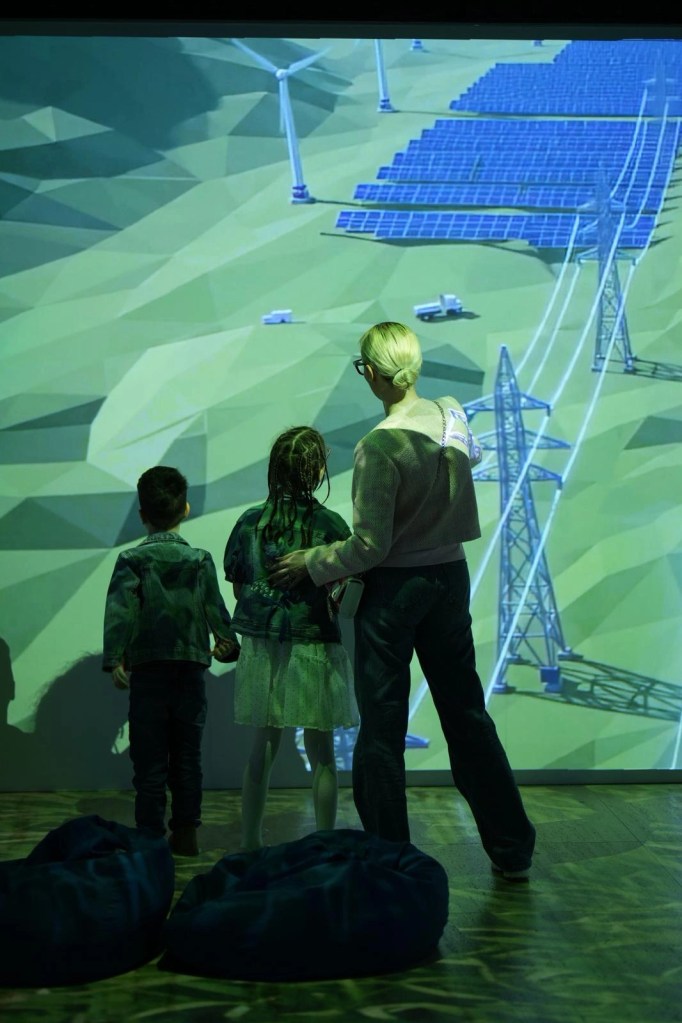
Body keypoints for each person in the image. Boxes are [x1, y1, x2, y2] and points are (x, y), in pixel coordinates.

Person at [269, 323, 536, 879]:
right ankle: (512, 848)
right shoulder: (451, 412)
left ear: (370, 372)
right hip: (450, 581)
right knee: (467, 714)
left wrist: (312, 563)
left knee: (383, 728)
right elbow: (472, 458)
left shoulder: (377, 447)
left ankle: (390, 861)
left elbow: (369, 546)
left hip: (393, 594)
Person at [223, 426, 358, 850]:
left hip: (264, 644)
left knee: (262, 745)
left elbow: (238, 586)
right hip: (314, 640)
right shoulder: (330, 524)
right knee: (322, 751)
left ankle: (250, 843)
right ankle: (324, 844)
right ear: (317, 469)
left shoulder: (250, 521)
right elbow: (349, 585)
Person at [103, 466, 239, 856]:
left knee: (149, 761)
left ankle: (149, 838)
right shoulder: (199, 560)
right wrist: (226, 643)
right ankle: (186, 834)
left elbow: (120, 612)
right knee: (187, 757)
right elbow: (215, 610)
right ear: (186, 509)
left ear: (142, 514)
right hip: (191, 670)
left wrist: (115, 658)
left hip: (147, 671)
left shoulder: (132, 559)